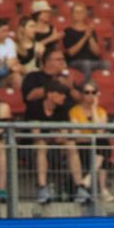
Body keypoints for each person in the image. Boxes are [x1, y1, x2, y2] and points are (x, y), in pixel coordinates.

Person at [24, 48, 90, 205]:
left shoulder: (62, 106)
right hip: (32, 143)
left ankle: (80, 187)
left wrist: (69, 87)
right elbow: (29, 96)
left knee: (71, 144)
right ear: (47, 61)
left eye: (63, 59)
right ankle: (42, 188)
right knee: (41, 145)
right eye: (58, 59)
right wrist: (52, 84)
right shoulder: (34, 78)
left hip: (56, 141)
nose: (63, 63)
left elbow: (80, 101)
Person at [68, 83, 114, 204]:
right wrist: (92, 137)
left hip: (97, 147)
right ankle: (103, 190)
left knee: (103, 146)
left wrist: (94, 108)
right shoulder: (75, 111)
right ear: (82, 95)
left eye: (93, 92)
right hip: (83, 147)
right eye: (87, 92)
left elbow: (100, 131)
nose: (90, 95)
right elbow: (76, 134)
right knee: (103, 148)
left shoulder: (101, 111)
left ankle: (88, 180)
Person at [60, 3, 106, 75]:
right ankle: (86, 85)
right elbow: (71, 53)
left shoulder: (90, 31)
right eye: (76, 12)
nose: (79, 14)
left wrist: (90, 36)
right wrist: (85, 37)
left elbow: (97, 52)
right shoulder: (68, 31)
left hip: (92, 60)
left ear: (85, 14)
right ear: (72, 14)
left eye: (81, 12)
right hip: (75, 61)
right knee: (86, 64)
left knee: (106, 64)